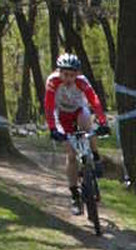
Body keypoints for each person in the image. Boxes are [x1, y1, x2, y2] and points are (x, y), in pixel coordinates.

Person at [44, 53, 110, 215]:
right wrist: (53, 128)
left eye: (72, 75)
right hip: (62, 116)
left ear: (77, 75)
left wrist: (103, 121)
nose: (69, 79)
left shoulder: (82, 82)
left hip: (78, 111)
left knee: (88, 127)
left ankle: (96, 157)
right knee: (71, 154)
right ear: (59, 72)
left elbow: (94, 100)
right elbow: (49, 106)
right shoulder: (53, 82)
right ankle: (74, 195)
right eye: (65, 74)